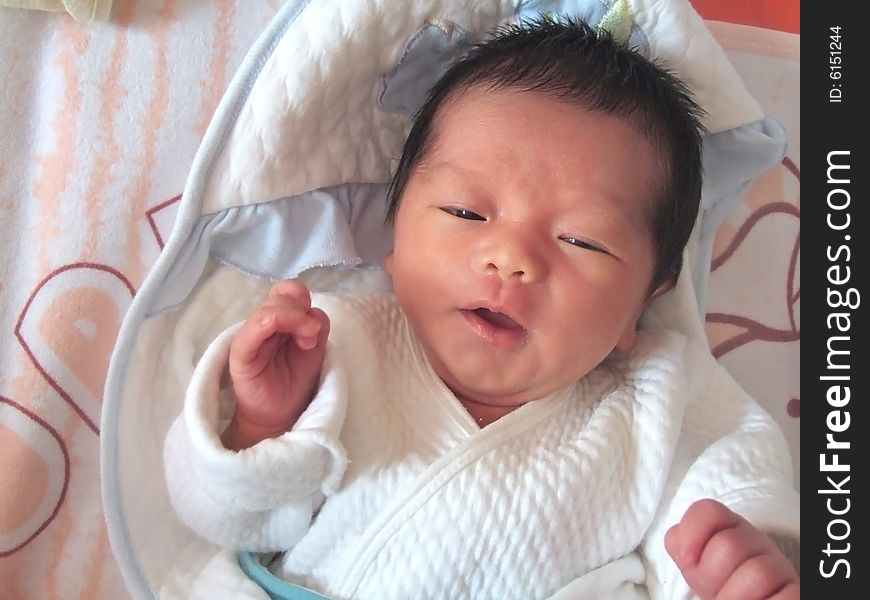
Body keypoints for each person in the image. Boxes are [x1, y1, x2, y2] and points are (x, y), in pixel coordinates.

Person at [165, 17, 799, 599]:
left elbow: (732, 478)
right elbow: (225, 520)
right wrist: (260, 426)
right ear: (394, 239)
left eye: (581, 240)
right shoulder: (336, 345)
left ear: (644, 300)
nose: (511, 257)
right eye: (466, 213)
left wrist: (737, 559)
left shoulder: (655, 398)